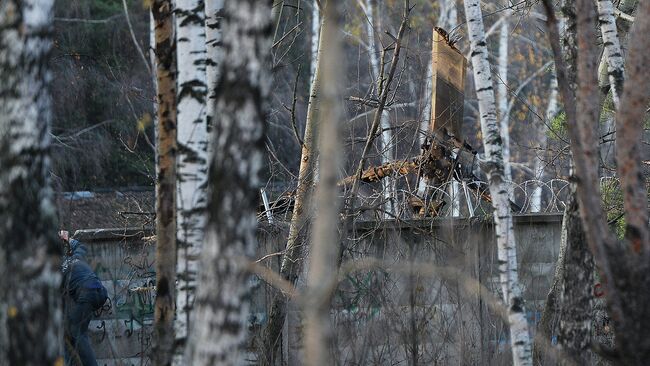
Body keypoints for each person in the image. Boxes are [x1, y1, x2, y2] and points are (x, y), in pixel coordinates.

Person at [59, 230, 108, 366]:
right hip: (101, 291)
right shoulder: (75, 258)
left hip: (87, 293)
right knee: (71, 331)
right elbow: (81, 247)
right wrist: (67, 239)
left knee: (76, 332)